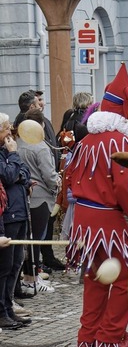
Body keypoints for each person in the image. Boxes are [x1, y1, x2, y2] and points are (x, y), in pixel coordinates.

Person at [64, 63, 128, 347]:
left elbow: (69, 178)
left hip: (83, 221)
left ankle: (87, 337)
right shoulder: (120, 142)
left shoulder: (86, 142)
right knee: (124, 279)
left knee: (95, 278)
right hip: (108, 221)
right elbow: (126, 189)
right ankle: (110, 336)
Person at [16, 109, 59, 294]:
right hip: (40, 197)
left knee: (27, 239)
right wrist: (58, 183)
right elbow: (49, 175)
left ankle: (30, 277)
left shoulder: (17, 143)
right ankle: (31, 279)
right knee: (36, 240)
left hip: (23, 197)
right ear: (40, 126)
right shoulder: (40, 147)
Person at [0, 112, 32, 330]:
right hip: (8, 215)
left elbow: (25, 174)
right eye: (6, 128)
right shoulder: (7, 153)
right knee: (5, 267)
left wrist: (16, 165)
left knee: (15, 265)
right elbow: (8, 176)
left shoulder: (7, 152)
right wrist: (14, 157)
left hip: (20, 211)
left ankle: (9, 307)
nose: (10, 131)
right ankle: (2, 311)